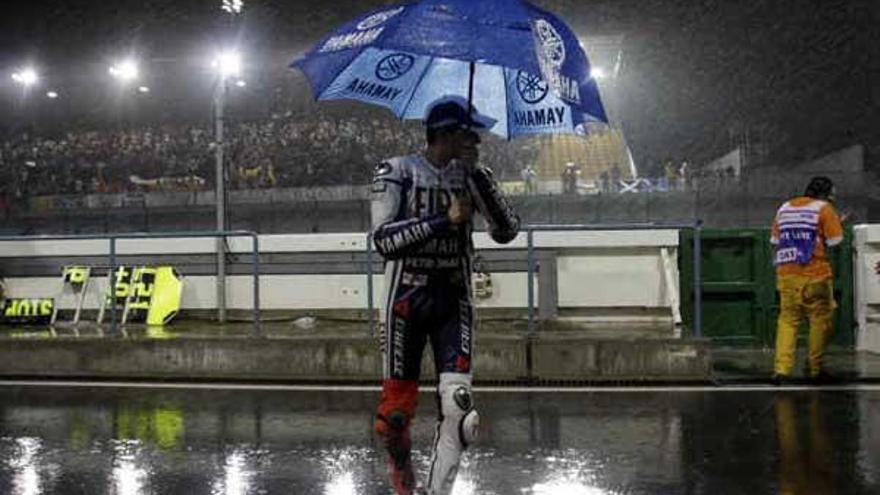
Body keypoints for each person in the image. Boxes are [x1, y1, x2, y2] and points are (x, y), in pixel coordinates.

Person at [370, 100, 520, 495]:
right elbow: (384, 241)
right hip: (405, 302)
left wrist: (478, 178)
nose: (477, 140)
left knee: (459, 405)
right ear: (448, 133)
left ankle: (439, 491)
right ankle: (403, 480)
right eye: (470, 132)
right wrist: (443, 220)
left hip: (454, 301)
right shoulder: (396, 170)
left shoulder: (474, 175)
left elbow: (507, 230)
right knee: (396, 418)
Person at [770, 176, 843, 383]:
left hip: (786, 273)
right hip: (815, 275)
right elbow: (835, 241)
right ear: (827, 194)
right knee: (819, 322)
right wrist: (838, 223)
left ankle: (781, 370)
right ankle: (814, 369)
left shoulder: (784, 208)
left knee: (788, 322)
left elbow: (776, 240)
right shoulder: (824, 209)